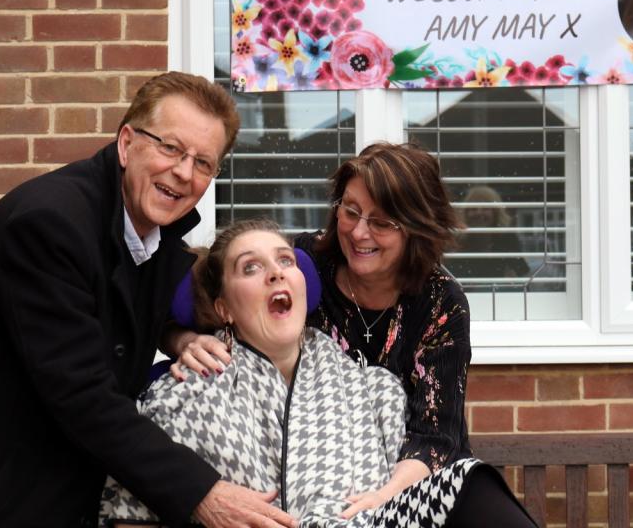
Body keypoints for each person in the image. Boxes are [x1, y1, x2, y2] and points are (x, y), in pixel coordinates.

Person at [0, 72, 296, 528]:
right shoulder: (48, 225)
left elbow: (118, 301)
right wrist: (203, 494)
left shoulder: (153, 230)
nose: (183, 172)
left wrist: (176, 336)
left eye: (204, 163)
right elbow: (82, 394)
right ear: (126, 143)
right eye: (171, 148)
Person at [102, 220, 534, 527]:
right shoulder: (181, 396)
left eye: (285, 261)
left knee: (466, 483)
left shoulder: (374, 390)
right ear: (223, 309)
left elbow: (405, 500)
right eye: (250, 268)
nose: (274, 272)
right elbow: (131, 512)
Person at [170, 142, 509, 520]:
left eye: (381, 222)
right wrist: (184, 339)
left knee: (473, 483)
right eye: (350, 211)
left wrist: (385, 497)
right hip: (321, 486)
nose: (359, 232)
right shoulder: (305, 266)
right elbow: (213, 297)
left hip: (409, 486)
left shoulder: (440, 301)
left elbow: (436, 435)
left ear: (415, 229)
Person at [450, 185, 529, 284]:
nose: (479, 213)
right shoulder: (457, 241)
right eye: (473, 209)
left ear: (496, 213)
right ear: (465, 213)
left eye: (486, 208)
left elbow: (521, 274)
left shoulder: (507, 239)